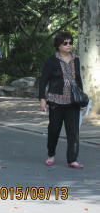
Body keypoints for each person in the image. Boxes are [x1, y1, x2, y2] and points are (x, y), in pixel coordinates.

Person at [39, 32, 84, 169]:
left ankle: (72, 160)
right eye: (65, 43)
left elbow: (78, 80)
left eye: (70, 42)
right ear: (58, 45)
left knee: (73, 132)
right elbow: (43, 80)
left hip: (72, 102)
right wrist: (42, 98)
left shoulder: (76, 59)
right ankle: (51, 154)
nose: (68, 45)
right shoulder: (52, 61)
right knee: (54, 130)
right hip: (56, 102)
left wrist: (81, 99)